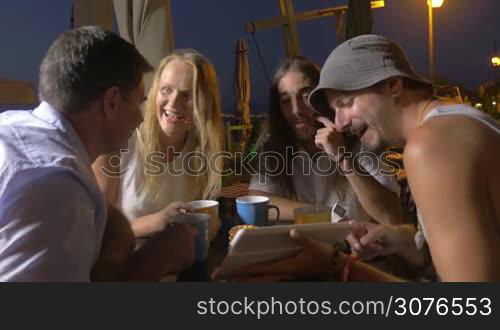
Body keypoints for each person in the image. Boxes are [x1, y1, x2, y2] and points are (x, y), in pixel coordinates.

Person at [230, 34, 500, 282]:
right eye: (334, 111)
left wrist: (340, 266)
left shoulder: (429, 145)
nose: (340, 123)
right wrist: (408, 241)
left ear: (393, 85)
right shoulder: (458, 121)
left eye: (346, 104)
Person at [0, 26, 195, 281]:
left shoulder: (12, 127)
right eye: (138, 102)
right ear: (112, 101)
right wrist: (155, 261)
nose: (140, 118)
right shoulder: (55, 186)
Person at [248, 56, 402, 225]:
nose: (296, 110)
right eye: (285, 101)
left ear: (325, 98)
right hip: (298, 248)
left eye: (305, 96)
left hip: (351, 249)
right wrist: (325, 215)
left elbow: (392, 216)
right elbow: (257, 202)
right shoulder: (274, 147)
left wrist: (342, 157)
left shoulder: (362, 141)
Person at [92, 49, 224, 244]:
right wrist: (157, 222)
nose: (173, 103)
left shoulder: (202, 150)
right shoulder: (117, 143)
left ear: (204, 103)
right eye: (166, 90)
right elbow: (96, 229)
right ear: (155, 92)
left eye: (187, 95)